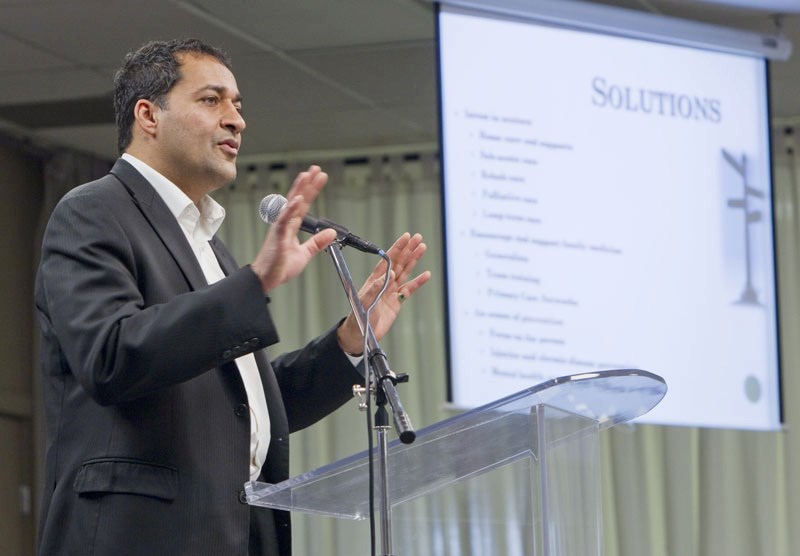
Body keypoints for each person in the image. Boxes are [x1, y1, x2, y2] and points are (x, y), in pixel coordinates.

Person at [34, 38, 430, 556]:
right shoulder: (91, 212)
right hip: (134, 538)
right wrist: (255, 283)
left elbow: (243, 409)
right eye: (212, 100)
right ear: (148, 116)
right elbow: (110, 357)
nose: (236, 120)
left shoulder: (208, 247)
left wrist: (349, 343)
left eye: (238, 105)